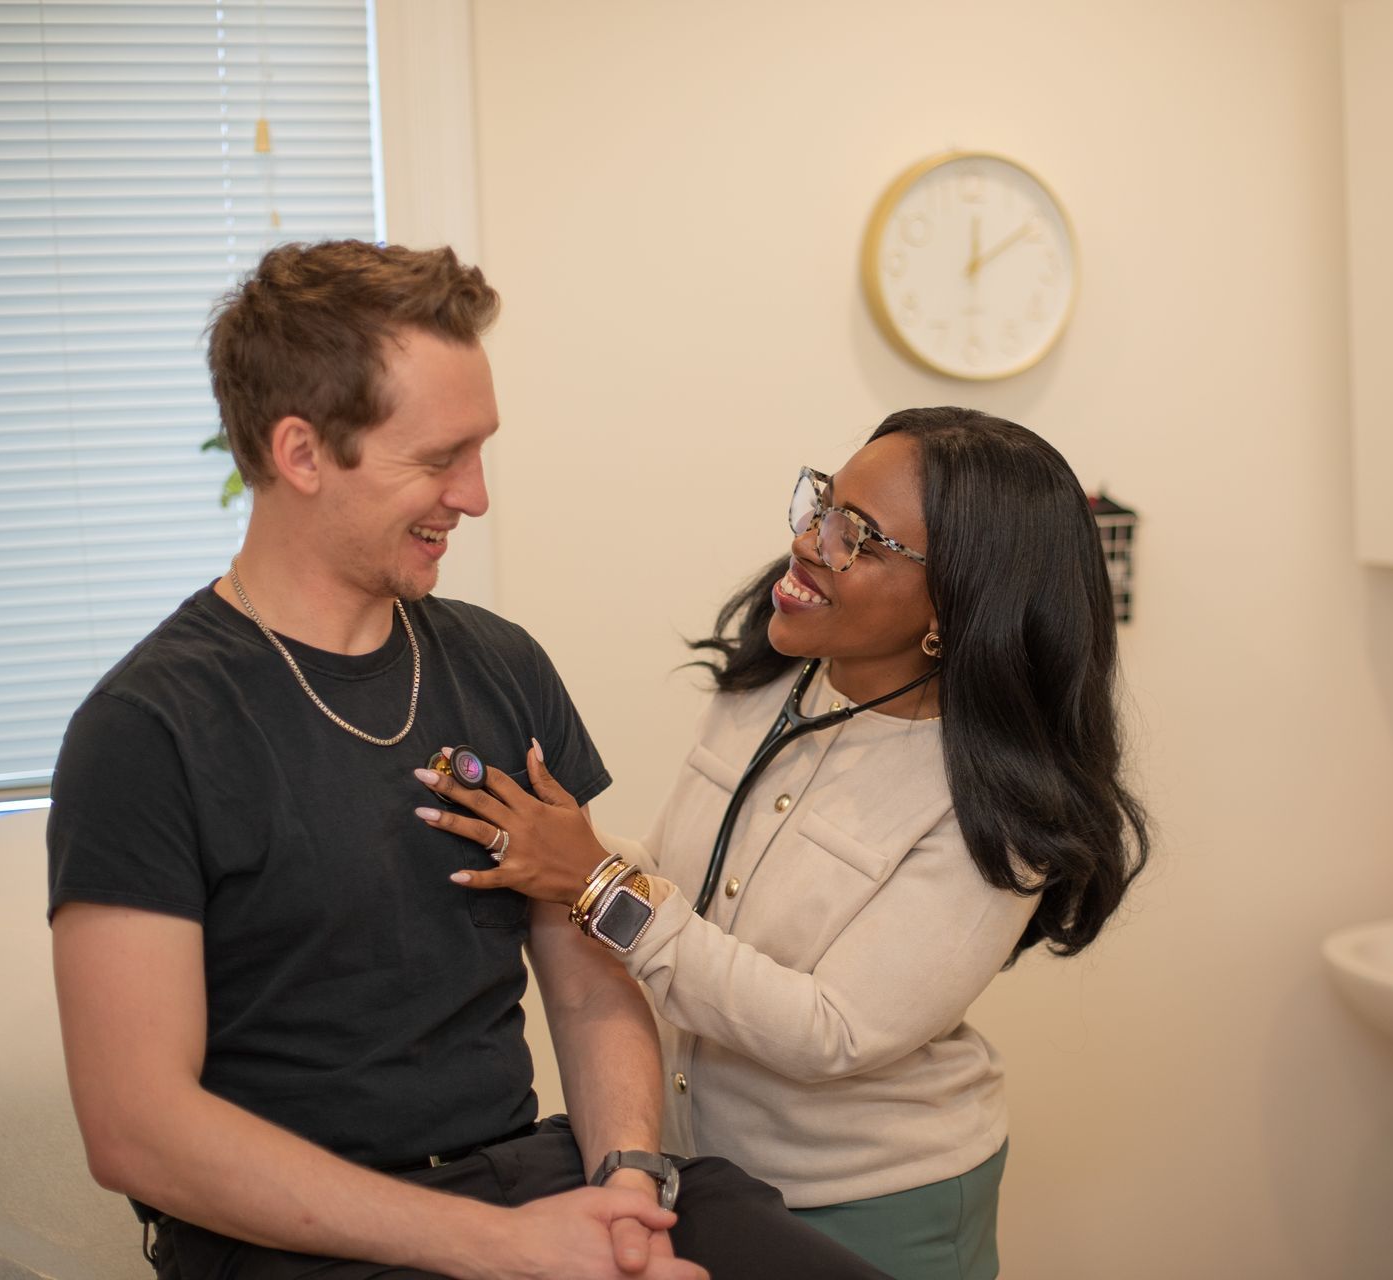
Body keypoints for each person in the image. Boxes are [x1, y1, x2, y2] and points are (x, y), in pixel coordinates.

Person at [46, 239, 888, 1280]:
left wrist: (626, 1183)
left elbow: (584, 986)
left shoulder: (498, 666)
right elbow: (137, 1129)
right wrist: (505, 1249)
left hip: (535, 1180)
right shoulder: (148, 730)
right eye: (439, 458)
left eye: (480, 449)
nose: (476, 494)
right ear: (302, 453)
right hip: (304, 1239)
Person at [417, 406, 1152, 1279]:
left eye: (860, 538)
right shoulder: (770, 679)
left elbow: (830, 1030)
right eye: (822, 505)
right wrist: (554, 846)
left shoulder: (997, 808)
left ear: (957, 608)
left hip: (872, 1206)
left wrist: (599, 885)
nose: (809, 541)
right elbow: (681, 888)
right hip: (703, 1173)